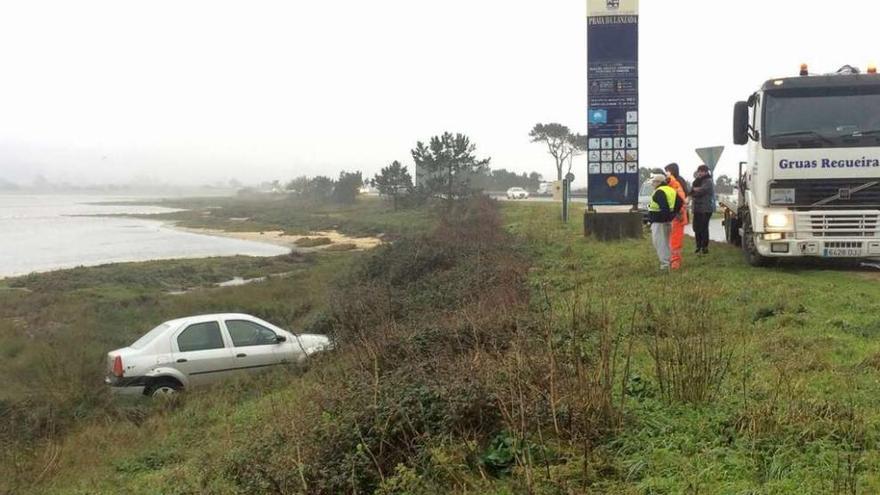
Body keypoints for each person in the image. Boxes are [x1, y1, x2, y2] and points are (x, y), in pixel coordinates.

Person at [647, 173, 683, 271]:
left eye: (653, 182)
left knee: (660, 243)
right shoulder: (671, 190)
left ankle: (665, 265)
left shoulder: (659, 192)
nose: (652, 184)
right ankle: (668, 263)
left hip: (659, 222)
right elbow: (680, 202)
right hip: (667, 221)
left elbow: (664, 207)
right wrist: (672, 215)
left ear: (658, 182)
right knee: (666, 243)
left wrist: (665, 216)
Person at [664, 163, 689, 270]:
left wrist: (678, 213)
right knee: (673, 240)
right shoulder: (679, 182)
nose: (666, 174)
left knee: (675, 240)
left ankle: (675, 263)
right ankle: (673, 261)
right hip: (677, 215)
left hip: (677, 216)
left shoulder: (675, 183)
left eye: (667, 171)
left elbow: (680, 200)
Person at [690, 164, 715, 254]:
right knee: (696, 228)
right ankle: (698, 246)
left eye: (702, 171)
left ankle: (704, 247)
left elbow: (702, 191)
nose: (700, 173)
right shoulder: (696, 181)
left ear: (706, 172)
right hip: (697, 208)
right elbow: (691, 191)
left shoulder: (708, 181)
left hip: (705, 209)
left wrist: (696, 190)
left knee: (703, 228)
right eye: (699, 171)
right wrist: (695, 190)